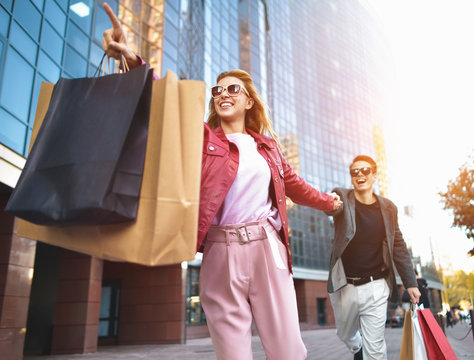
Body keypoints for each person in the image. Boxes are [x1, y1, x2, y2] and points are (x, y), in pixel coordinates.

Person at [101, 4, 342, 359]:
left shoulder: (268, 149)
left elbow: (298, 187)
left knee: (288, 351)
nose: (224, 93)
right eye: (218, 89)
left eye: (233, 88)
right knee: (231, 354)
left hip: (266, 247)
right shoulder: (203, 139)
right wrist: (132, 59)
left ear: (248, 101)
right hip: (218, 251)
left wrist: (331, 203)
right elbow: (165, 103)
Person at [325, 155, 421, 360]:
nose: (360, 174)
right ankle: (357, 345)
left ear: (374, 175)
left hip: (376, 285)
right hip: (345, 286)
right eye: (355, 171)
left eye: (365, 170)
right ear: (351, 178)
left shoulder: (388, 208)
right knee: (345, 333)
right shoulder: (342, 196)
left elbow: (398, 245)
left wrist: (410, 282)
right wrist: (329, 203)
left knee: (376, 348)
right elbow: (331, 207)